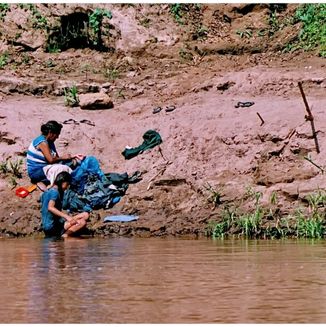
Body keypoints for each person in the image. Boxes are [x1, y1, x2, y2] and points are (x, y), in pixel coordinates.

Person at [26, 120, 84, 188]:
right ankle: (42, 182)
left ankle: (45, 181)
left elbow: (56, 158)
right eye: (57, 134)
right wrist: (63, 158)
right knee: (63, 170)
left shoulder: (50, 142)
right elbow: (51, 160)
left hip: (47, 167)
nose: (57, 137)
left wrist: (71, 158)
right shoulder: (42, 142)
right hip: (37, 172)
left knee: (71, 163)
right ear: (51, 133)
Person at [40, 171, 89, 238]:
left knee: (85, 215)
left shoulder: (47, 191)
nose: (67, 187)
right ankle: (65, 236)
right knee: (82, 222)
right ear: (63, 182)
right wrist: (67, 217)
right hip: (52, 227)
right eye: (67, 184)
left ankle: (63, 231)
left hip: (53, 223)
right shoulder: (55, 193)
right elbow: (50, 207)